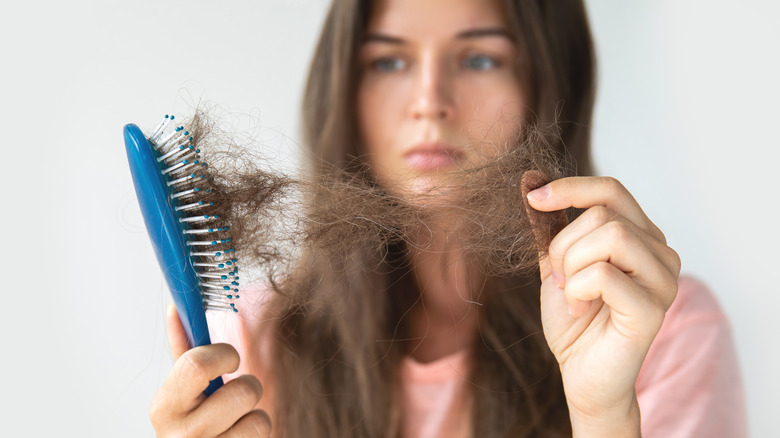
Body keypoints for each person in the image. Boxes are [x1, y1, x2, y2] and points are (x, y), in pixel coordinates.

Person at [149, 0, 747, 436]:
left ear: (549, 82)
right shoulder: (254, 341)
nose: (430, 98)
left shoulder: (653, 326)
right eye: (388, 63)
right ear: (344, 90)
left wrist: (604, 416)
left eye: (481, 58)